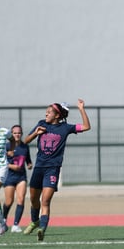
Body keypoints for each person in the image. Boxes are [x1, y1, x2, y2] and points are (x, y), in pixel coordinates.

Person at [23, 99, 90, 241]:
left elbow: (86, 126)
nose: (46, 114)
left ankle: (42, 228)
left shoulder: (65, 128)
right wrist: (36, 133)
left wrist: (81, 109)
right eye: (46, 112)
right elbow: (25, 141)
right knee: (34, 199)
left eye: (49, 112)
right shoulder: (41, 124)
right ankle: (35, 221)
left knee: (45, 201)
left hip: (52, 169)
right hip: (38, 168)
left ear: (57, 115)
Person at [2, 125, 32, 233]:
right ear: (11, 134)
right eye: (14, 133)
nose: (17, 135)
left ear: (21, 134)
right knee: (9, 201)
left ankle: (16, 225)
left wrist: (29, 164)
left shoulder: (25, 147)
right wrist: (11, 166)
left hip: (21, 177)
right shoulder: (6, 146)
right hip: (9, 177)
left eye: (19, 133)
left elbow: (28, 160)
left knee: (21, 199)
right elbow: (1, 162)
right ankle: (3, 219)